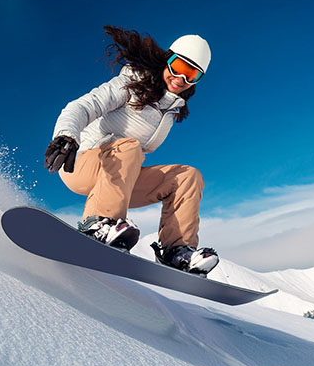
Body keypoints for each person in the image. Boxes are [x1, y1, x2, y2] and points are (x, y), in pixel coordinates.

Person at [43, 26, 218, 275]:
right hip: (80, 163)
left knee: (188, 177)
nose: (181, 79)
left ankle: (176, 251)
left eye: (192, 74)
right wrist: (66, 136)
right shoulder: (132, 83)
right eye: (178, 67)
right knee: (130, 146)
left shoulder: (170, 110)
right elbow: (82, 106)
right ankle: (99, 223)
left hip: (119, 179)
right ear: (166, 60)